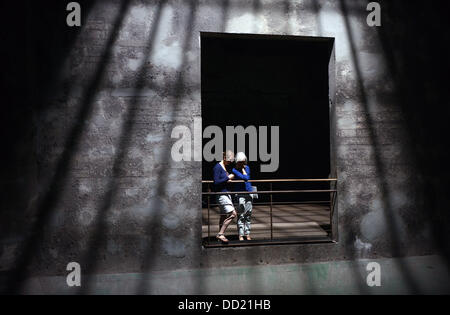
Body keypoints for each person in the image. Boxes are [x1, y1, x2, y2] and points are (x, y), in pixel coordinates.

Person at [213, 150, 237, 244]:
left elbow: (221, 181)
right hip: (221, 195)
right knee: (233, 214)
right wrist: (228, 177)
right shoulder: (217, 167)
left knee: (223, 215)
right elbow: (216, 182)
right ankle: (220, 234)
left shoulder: (224, 167)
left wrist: (227, 180)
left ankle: (220, 234)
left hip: (225, 193)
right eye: (229, 160)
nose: (230, 162)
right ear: (224, 158)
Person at [232, 152, 253, 241]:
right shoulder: (234, 170)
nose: (242, 164)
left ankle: (247, 233)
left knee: (248, 214)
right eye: (240, 162)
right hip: (240, 193)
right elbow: (245, 178)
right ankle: (241, 235)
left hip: (248, 192)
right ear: (237, 162)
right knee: (241, 215)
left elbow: (247, 177)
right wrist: (243, 171)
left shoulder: (247, 168)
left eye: (243, 162)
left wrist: (244, 170)